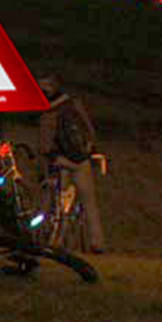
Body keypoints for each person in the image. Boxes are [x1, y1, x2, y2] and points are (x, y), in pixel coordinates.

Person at [36, 74, 105, 253]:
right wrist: (90, 150)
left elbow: (45, 145)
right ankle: (97, 242)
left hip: (62, 161)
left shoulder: (48, 112)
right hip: (81, 158)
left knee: (57, 201)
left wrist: (46, 166)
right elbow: (89, 129)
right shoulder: (74, 104)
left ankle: (56, 239)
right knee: (89, 202)